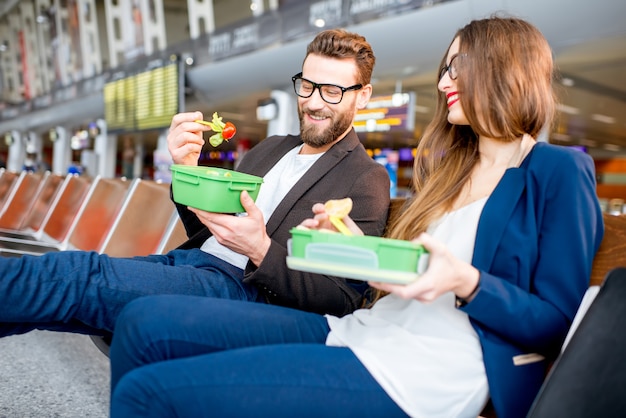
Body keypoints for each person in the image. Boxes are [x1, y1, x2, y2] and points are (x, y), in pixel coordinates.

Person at [109, 16, 604, 418]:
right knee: (142, 321)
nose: (442, 82)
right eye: (444, 68)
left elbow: (554, 323)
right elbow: (401, 272)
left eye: (457, 67)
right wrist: (345, 241)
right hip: (365, 331)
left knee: (151, 394)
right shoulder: (450, 169)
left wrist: (468, 283)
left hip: (426, 370)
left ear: (503, 69)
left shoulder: (556, 170)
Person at [0, 28, 390, 339]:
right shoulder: (270, 149)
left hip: (244, 292)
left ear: (364, 96)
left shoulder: (365, 178)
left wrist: (261, 249)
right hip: (192, 264)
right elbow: (208, 231)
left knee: (75, 277)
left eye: (333, 91)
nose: (314, 101)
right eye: (307, 85)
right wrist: (186, 169)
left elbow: (342, 297)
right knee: (59, 301)